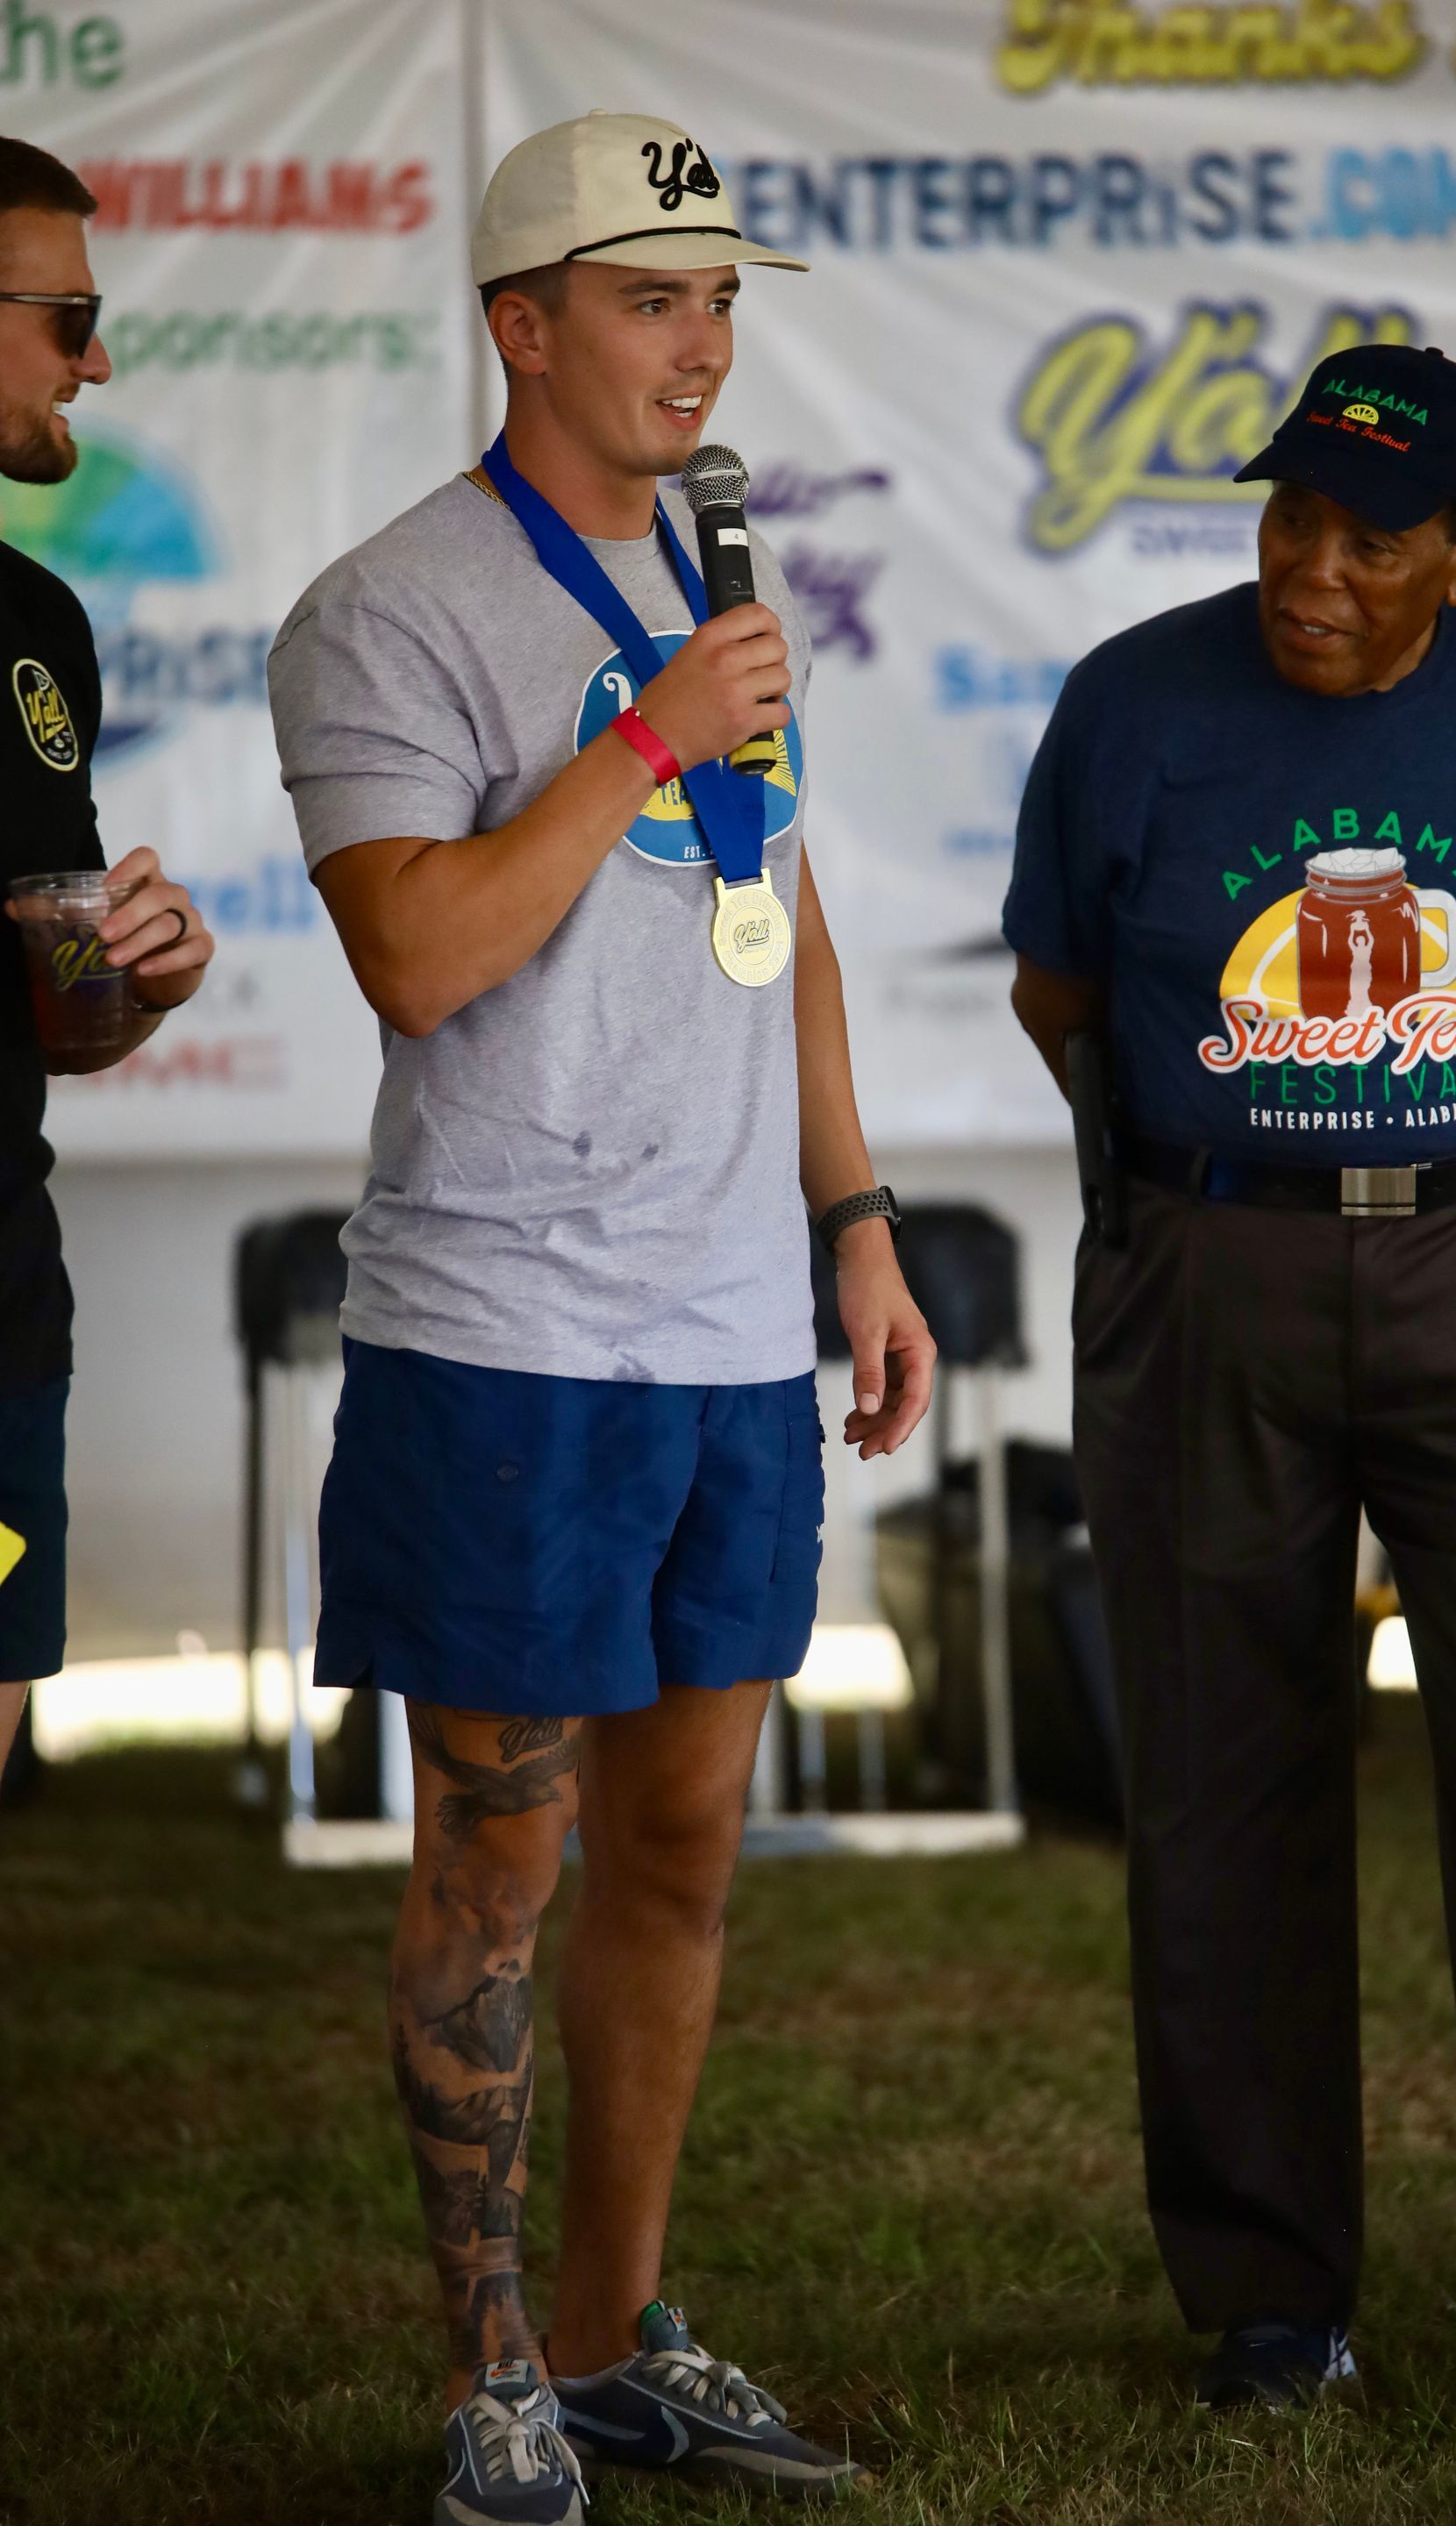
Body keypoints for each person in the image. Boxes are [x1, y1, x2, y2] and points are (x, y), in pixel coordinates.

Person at [268, 110, 932, 2525]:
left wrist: (852, 1213)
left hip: (735, 1323)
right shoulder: (390, 607)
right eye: (651, 296)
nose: (702, 342)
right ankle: (489, 2378)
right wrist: (643, 733)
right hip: (510, 1331)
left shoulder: (721, 582)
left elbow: (788, 909)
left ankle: (614, 2333)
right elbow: (427, 953)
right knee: (499, 1869)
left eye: (722, 299)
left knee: (682, 1854)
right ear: (521, 322)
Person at [1006, 342, 1456, 2435]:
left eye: (1370, 539)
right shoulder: (1133, 695)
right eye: (1286, 517)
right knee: (1222, 1783)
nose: (1310, 568)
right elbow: (1063, 987)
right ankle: (1274, 2298)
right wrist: (1227, 1179)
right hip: (1216, 1272)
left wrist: (1434, 1138)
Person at [0, 137, 214, 1797]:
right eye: (70, 313)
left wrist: (135, 974)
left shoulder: (41, 623)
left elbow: (61, 1034)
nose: (101, 357)